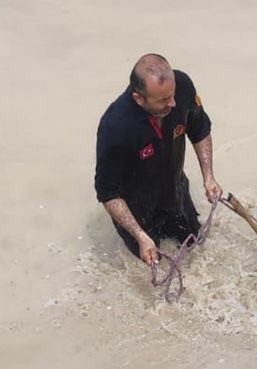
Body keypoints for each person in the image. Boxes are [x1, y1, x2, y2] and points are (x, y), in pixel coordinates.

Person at [95, 53, 223, 267]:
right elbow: (107, 192)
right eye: (163, 100)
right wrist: (139, 235)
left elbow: (200, 130)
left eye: (172, 94)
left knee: (195, 249)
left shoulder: (181, 86)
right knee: (151, 270)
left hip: (175, 192)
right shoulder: (115, 127)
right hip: (138, 210)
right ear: (139, 99)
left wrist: (209, 177)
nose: (173, 103)